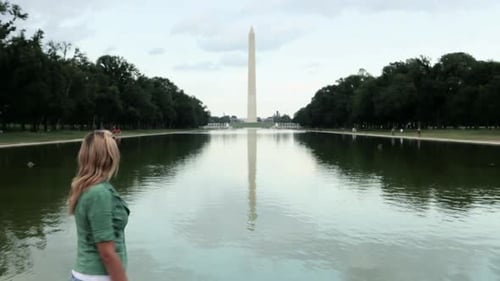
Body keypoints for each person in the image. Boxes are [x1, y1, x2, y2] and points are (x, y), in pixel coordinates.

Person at [68, 130, 130, 281]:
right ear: (109, 156)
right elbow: (107, 253)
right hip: (97, 277)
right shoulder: (98, 193)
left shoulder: (88, 188)